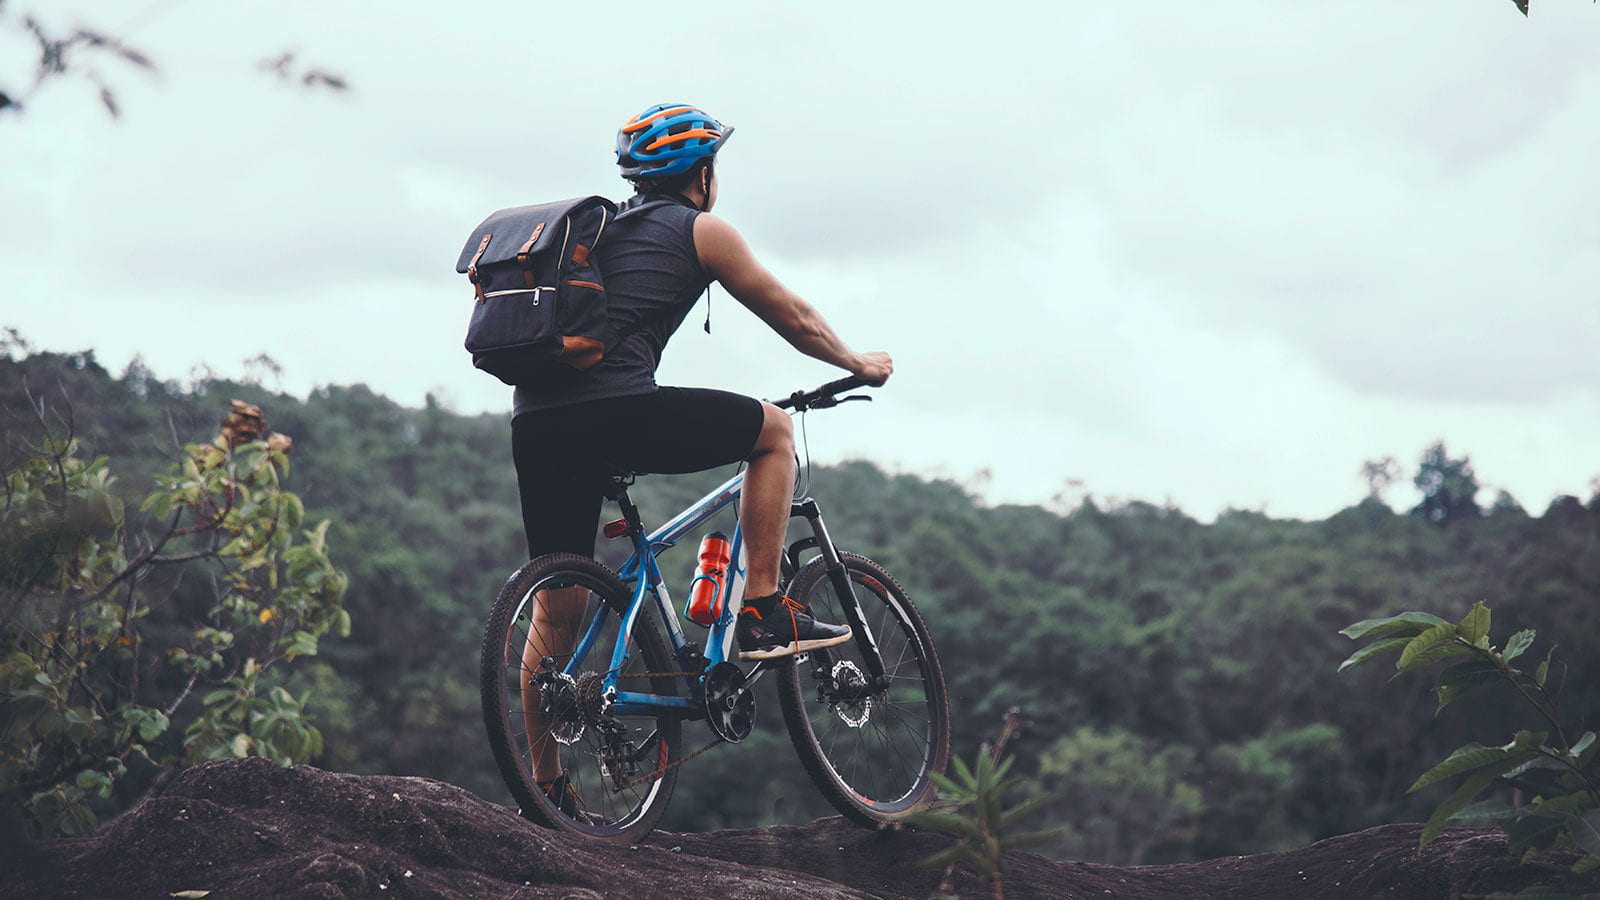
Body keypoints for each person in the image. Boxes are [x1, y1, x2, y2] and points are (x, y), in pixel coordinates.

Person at [511, 103, 892, 805]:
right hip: (618, 409)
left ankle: (547, 788)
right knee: (773, 430)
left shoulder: (597, 234)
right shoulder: (701, 230)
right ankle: (762, 608)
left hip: (537, 422)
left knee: (554, 606)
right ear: (703, 174)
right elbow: (795, 317)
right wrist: (856, 362)